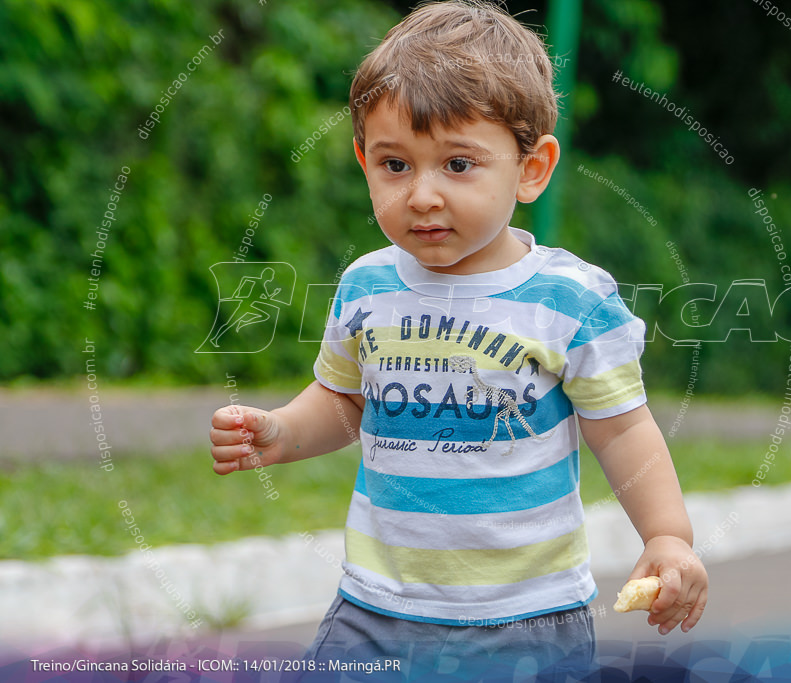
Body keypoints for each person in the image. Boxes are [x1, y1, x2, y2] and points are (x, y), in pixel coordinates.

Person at [208, 1, 708, 678]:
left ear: (531, 168)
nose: (421, 195)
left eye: (458, 165)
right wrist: (280, 431)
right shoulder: (367, 286)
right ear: (364, 162)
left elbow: (622, 431)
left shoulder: (569, 299)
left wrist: (668, 535)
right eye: (395, 165)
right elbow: (345, 402)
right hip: (374, 611)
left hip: (527, 620)